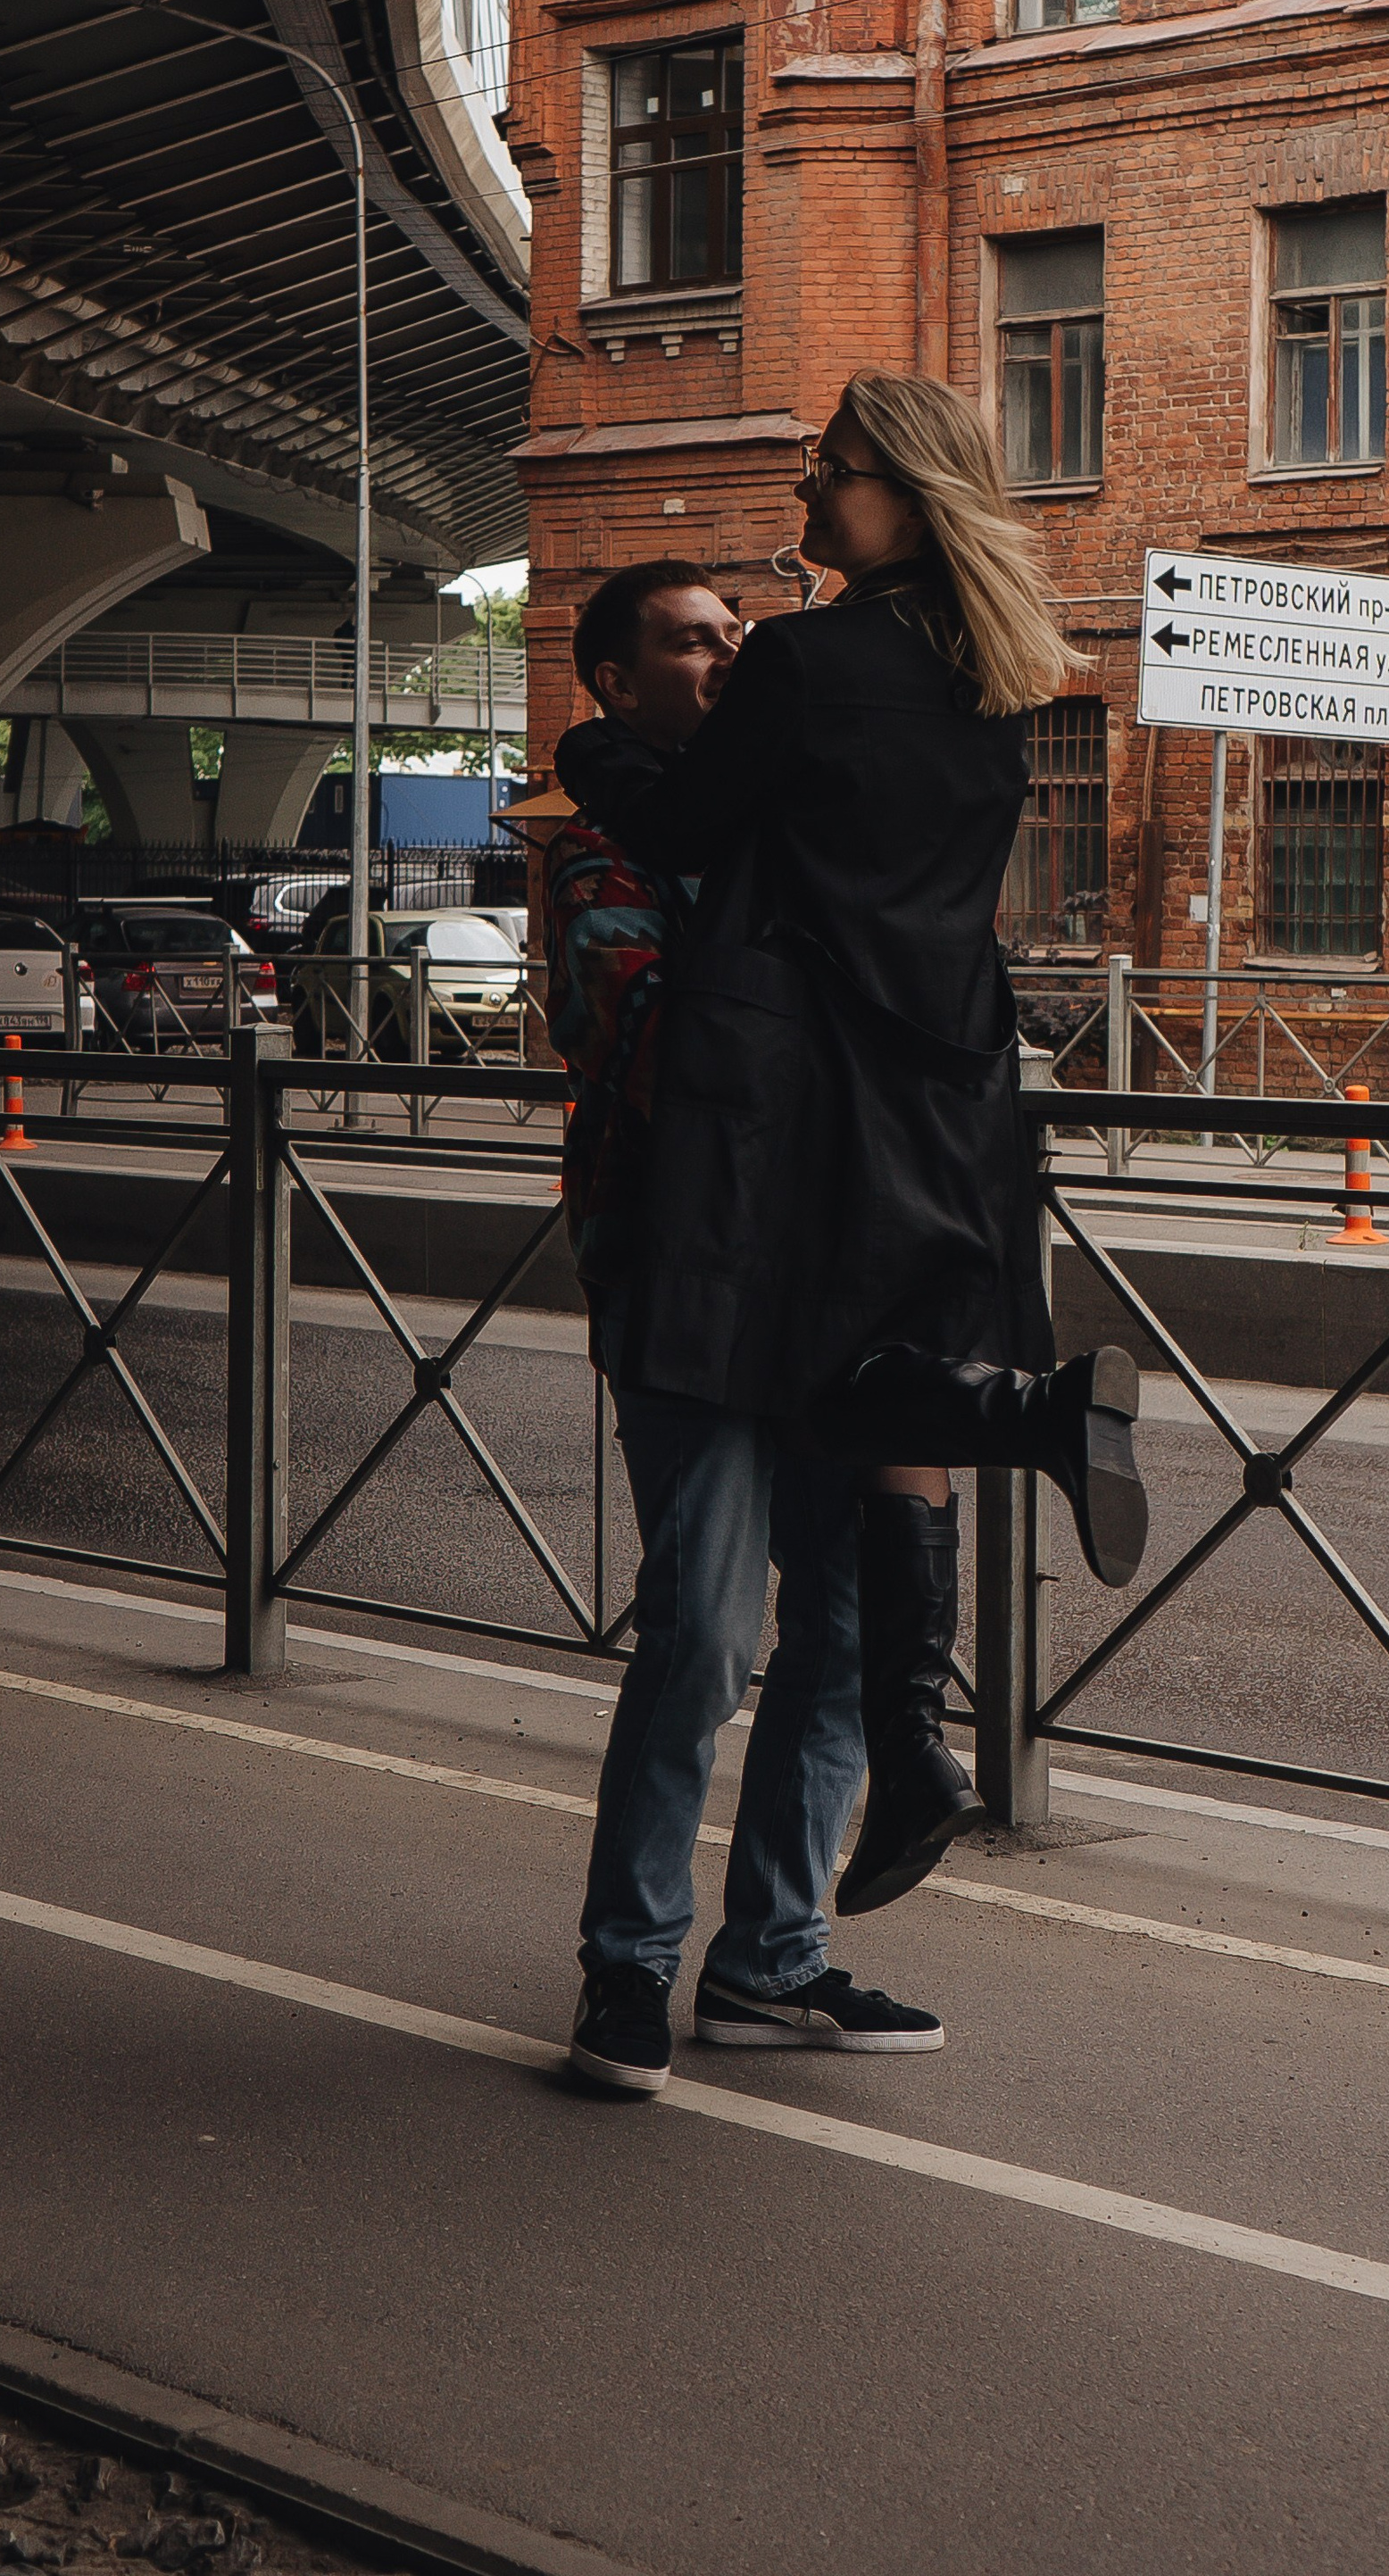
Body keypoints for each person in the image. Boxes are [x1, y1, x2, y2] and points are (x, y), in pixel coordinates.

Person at [555, 370, 1150, 1941]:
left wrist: (593, 755)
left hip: (798, 1108)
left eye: (825, 478)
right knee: (876, 1388)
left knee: (779, 1459)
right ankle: (909, 1740)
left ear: (896, 485)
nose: (805, 508)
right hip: (949, 1091)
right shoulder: (991, 679)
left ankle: (1023, 1432)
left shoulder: (812, 662)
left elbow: (692, 838)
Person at [549, 559, 947, 2098]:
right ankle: (627, 1967)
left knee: (844, 1635)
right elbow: (661, 1050)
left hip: (828, 1288)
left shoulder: (784, 835)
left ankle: (768, 1964)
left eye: (734, 640)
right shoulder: (600, 855)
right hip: (682, 1281)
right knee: (706, 1634)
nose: (723, 661)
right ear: (613, 684)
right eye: (688, 643)